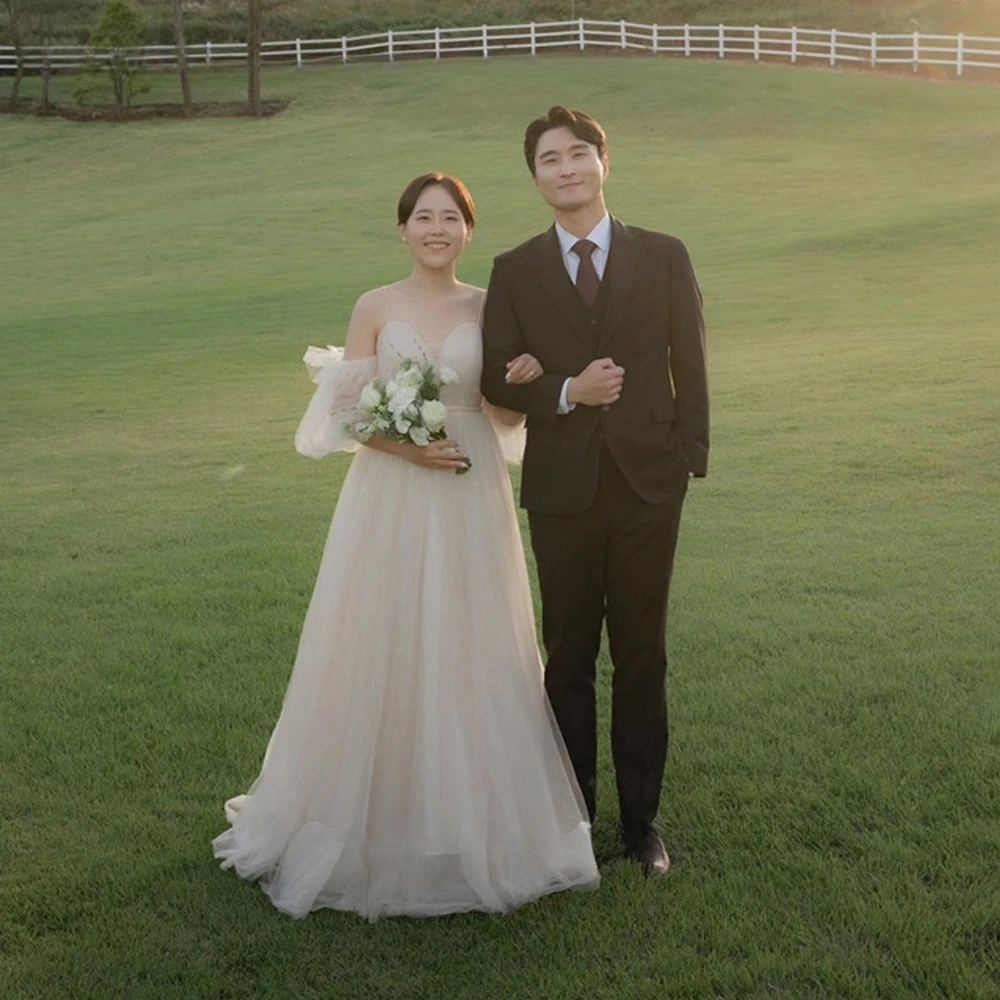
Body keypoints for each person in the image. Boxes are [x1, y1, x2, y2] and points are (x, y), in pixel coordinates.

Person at [213, 172, 598, 920]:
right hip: (389, 493)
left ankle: (472, 825)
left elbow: (496, 411)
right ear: (402, 230)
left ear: (467, 231)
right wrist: (405, 448)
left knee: (470, 637)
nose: (436, 228)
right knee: (379, 635)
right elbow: (348, 414)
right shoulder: (374, 306)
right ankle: (373, 817)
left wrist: (518, 384)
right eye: (423, 216)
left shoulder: (491, 305)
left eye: (450, 217)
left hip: (467, 485)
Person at [480, 108, 709, 875]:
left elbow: (692, 360)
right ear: (535, 177)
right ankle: (573, 818)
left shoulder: (665, 254)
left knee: (642, 656)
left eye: (579, 154)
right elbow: (493, 375)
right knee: (568, 657)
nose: (566, 169)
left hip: (650, 485)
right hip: (561, 491)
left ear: (603, 163)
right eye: (550, 159)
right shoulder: (515, 271)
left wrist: (687, 457)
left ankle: (641, 827)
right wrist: (566, 389)